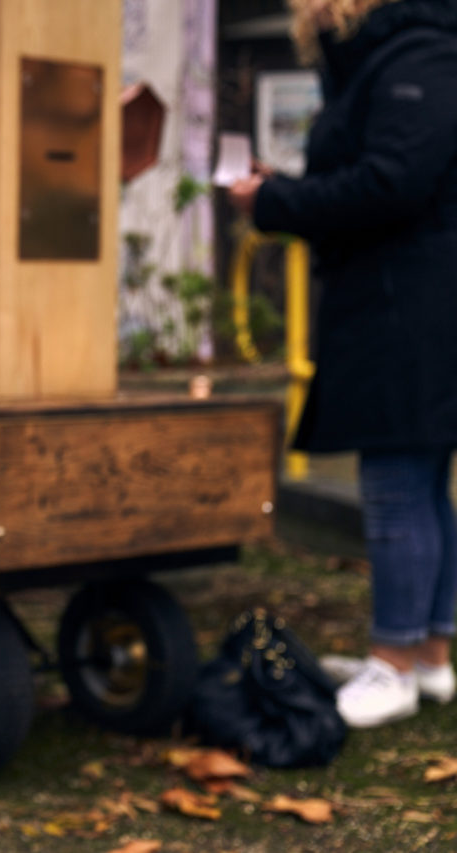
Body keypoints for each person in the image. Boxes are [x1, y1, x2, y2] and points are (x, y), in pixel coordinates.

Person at [229, 0, 457, 728]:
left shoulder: (416, 54)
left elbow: (392, 180)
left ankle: (393, 663)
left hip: (408, 306)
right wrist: (283, 189)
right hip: (415, 300)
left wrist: (276, 199)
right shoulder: (412, 52)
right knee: (421, 481)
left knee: (395, 482)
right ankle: (428, 657)